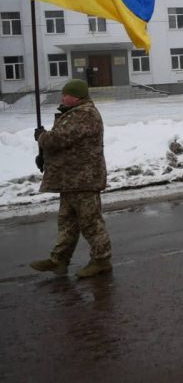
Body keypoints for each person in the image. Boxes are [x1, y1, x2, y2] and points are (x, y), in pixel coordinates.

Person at [29, 79, 112, 278]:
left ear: (77, 97)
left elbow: (58, 139)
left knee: (90, 222)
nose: (62, 97)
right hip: (70, 179)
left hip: (83, 179)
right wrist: (44, 155)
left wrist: (42, 137)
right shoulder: (73, 113)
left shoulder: (85, 115)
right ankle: (59, 260)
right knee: (67, 222)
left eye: (66, 95)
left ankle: (101, 260)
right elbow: (64, 144)